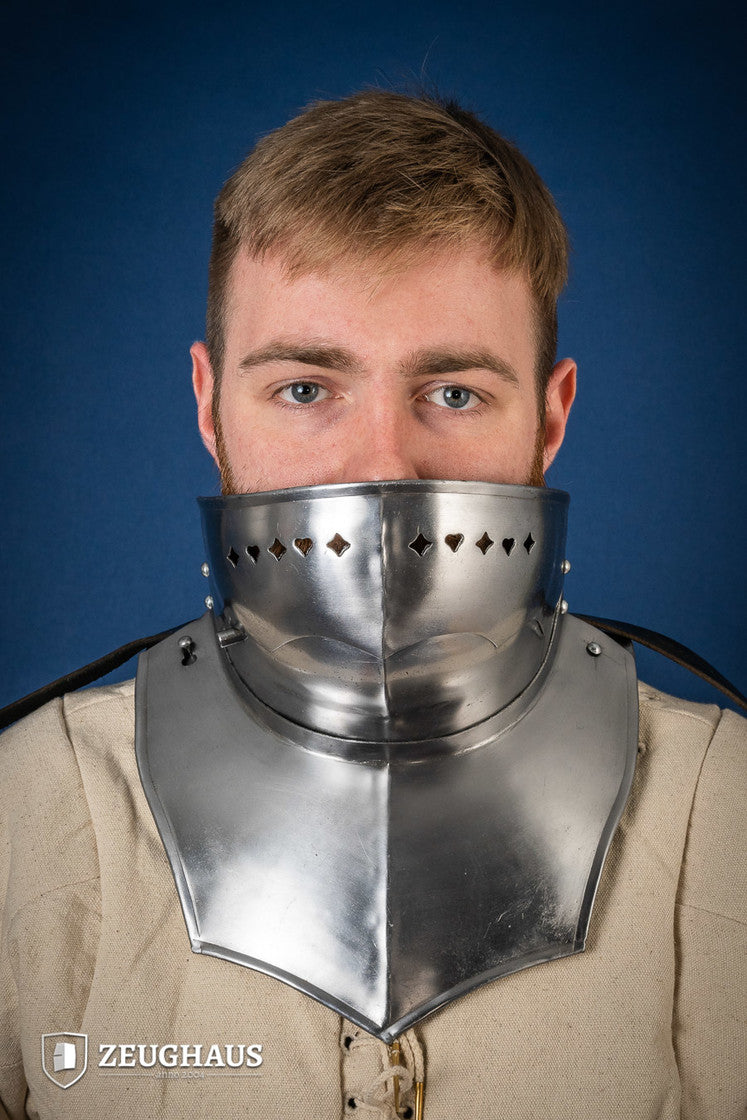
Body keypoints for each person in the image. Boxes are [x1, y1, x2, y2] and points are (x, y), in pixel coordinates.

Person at [1, 89, 744, 1120]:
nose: (381, 464)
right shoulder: (32, 809)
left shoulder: (725, 816)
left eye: (453, 392)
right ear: (210, 406)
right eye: (306, 388)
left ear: (551, 416)